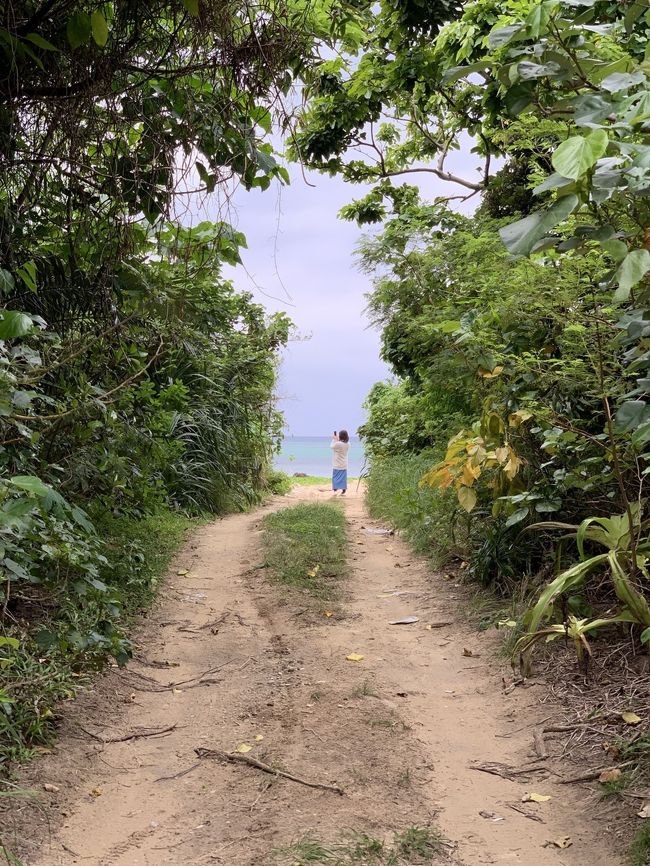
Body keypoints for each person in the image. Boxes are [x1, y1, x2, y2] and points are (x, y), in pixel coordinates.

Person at [330, 429, 350, 495]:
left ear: (340, 436)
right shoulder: (348, 444)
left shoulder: (337, 444)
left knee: (335, 477)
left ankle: (335, 490)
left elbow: (332, 446)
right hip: (344, 464)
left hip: (337, 464)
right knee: (343, 478)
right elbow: (341, 444)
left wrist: (334, 439)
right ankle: (343, 491)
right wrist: (337, 440)